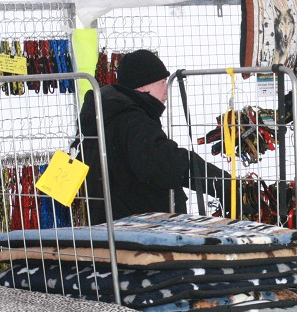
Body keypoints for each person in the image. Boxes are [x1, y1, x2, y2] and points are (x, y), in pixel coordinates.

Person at [78, 49, 232, 224]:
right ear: (143, 85)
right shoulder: (132, 120)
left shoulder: (106, 114)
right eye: (162, 82)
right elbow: (165, 163)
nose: (166, 89)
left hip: (113, 224)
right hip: (142, 228)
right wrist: (224, 184)